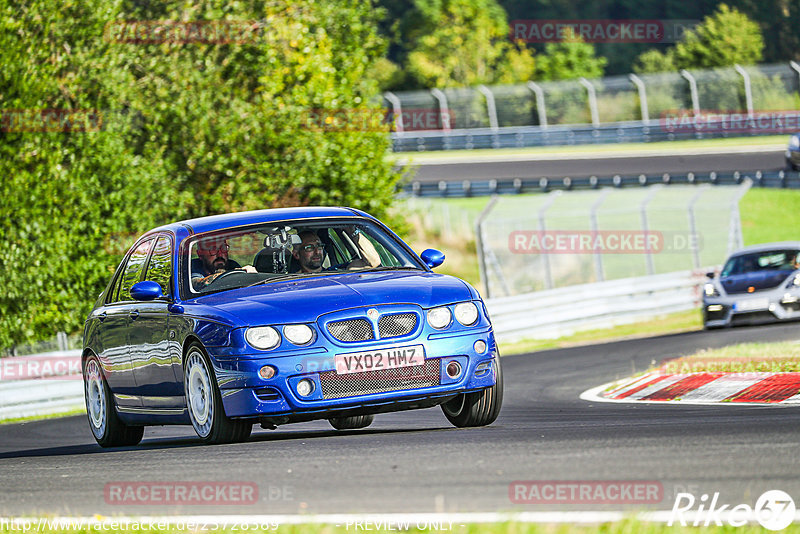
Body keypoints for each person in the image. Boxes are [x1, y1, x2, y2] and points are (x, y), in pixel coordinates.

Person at [291, 228, 380, 273]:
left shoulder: (338, 271)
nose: (317, 252)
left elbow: (373, 261)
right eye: (309, 247)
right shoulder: (290, 283)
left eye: (319, 246)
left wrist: (353, 231)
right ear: (296, 254)